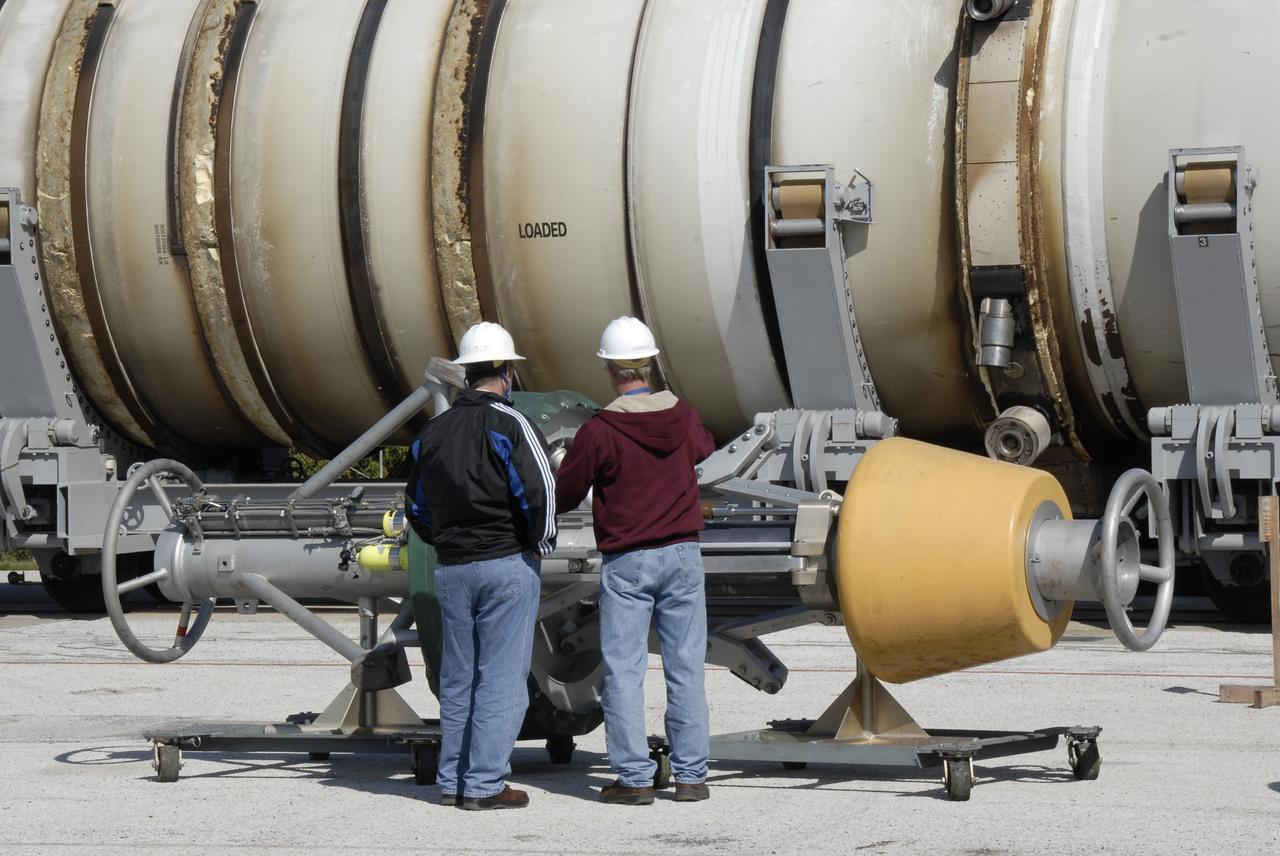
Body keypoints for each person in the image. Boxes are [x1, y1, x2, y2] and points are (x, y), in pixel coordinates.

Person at [555, 316, 716, 805]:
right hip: (684, 555)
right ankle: (691, 776)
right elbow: (704, 450)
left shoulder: (601, 429)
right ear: (650, 363)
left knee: (624, 671)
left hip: (629, 560)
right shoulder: (683, 415)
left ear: (610, 370)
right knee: (686, 667)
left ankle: (635, 778)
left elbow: (565, 492)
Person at [404, 321, 557, 811]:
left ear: (465, 373)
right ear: (507, 373)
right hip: (504, 561)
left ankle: (453, 781)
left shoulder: (432, 432)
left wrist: (445, 542)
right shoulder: (511, 424)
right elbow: (541, 492)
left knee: (459, 675)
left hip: (452, 567)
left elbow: (416, 507)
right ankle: (486, 784)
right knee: (501, 678)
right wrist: (539, 542)